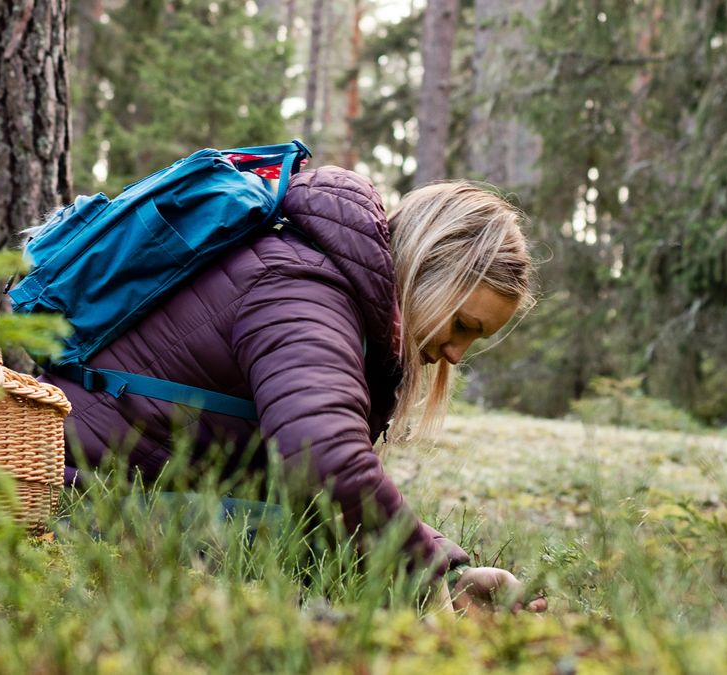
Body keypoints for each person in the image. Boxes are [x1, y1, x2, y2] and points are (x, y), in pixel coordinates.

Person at [42, 165, 540, 613]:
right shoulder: (301, 289)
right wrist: (424, 574)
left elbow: (314, 484)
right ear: (431, 272)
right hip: (70, 503)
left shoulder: (322, 286)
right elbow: (326, 462)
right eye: (463, 324)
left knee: (327, 537)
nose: (456, 353)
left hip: (115, 495)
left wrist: (450, 571)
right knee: (316, 543)